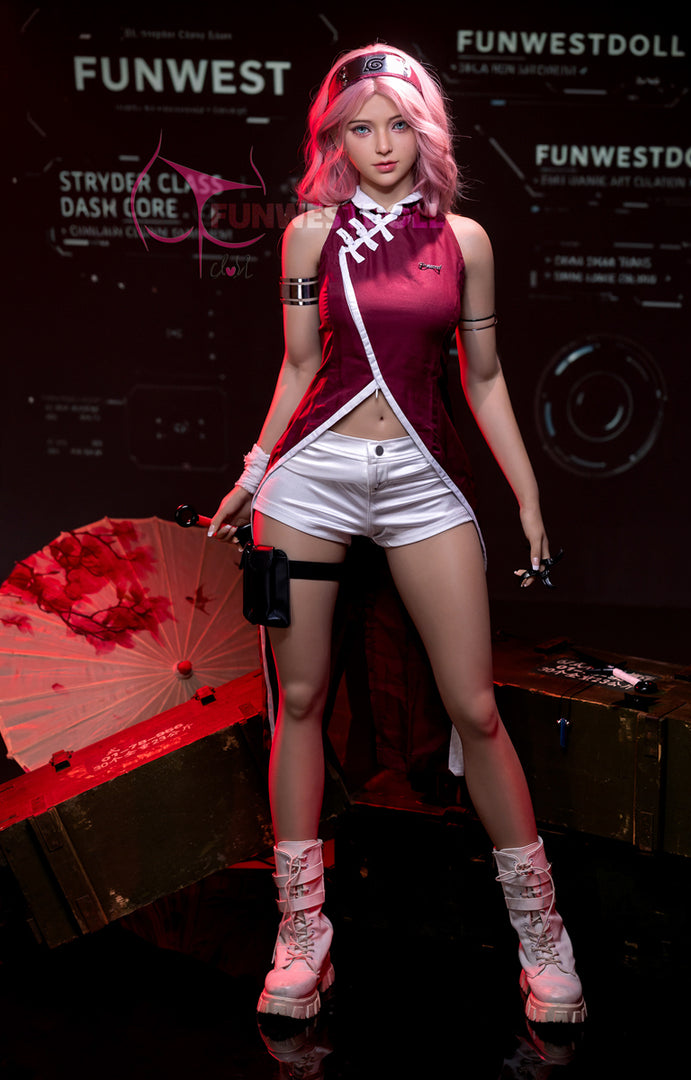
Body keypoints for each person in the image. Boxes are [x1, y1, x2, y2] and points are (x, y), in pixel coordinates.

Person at [208, 44, 586, 1026]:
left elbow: (484, 377)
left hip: (420, 481)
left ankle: (544, 937)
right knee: (297, 700)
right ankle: (302, 934)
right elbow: (298, 367)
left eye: (399, 124)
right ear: (333, 139)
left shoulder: (464, 239)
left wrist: (528, 493)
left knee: (475, 707)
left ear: (428, 131)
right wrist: (253, 472)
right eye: (359, 128)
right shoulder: (308, 236)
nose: (381, 145)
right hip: (311, 478)